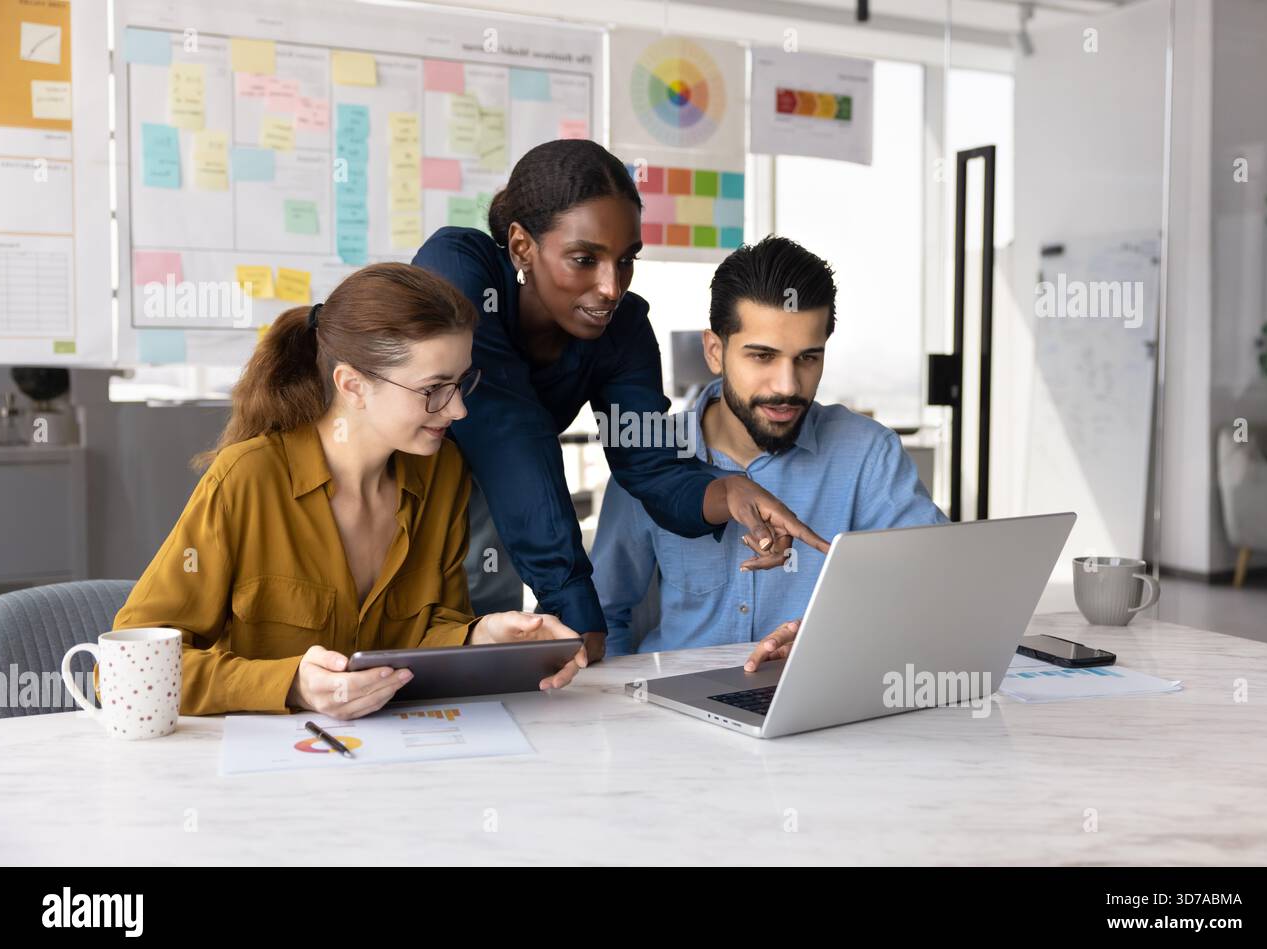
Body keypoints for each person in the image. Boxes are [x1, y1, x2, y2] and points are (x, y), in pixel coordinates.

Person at [412, 139, 829, 661]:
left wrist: (728, 491)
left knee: (471, 679)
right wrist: (573, 601)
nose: (612, 287)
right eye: (584, 259)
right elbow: (507, 431)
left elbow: (648, 461)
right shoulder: (457, 266)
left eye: (626, 260)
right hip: (382, 490)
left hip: (487, 507)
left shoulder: (622, 328)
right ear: (521, 246)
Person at [111, 263, 586, 718]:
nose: (458, 409)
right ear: (352, 385)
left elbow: (421, 637)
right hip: (264, 780)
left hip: (395, 765)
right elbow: (124, 673)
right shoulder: (247, 480)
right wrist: (291, 684)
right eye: (435, 388)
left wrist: (482, 638)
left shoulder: (442, 474)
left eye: (461, 383)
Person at [591, 235, 947, 658]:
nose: (787, 386)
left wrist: (833, 638)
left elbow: (931, 589)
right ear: (715, 352)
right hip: (672, 704)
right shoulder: (651, 457)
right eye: (762, 357)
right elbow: (602, 615)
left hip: (819, 697)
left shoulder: (867, 453)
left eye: (807, 358)